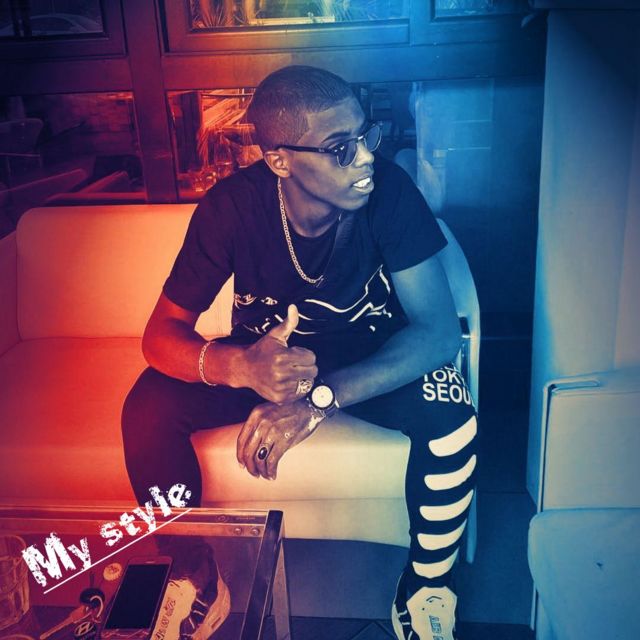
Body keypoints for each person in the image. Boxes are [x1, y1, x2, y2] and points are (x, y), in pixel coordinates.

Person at [122, 65, 478, 640]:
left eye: (366, 135)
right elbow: (160, 335)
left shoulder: (388, 192)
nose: (365, 157)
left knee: (451, 410)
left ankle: (427, 585)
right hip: (266, 357)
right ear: (280, 160)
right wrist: (240, 366)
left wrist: (318, 400)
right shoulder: (232, 208)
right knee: (148, 407)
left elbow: (438, 333)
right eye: (340, 148)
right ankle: (194, 575)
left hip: (366, 353)